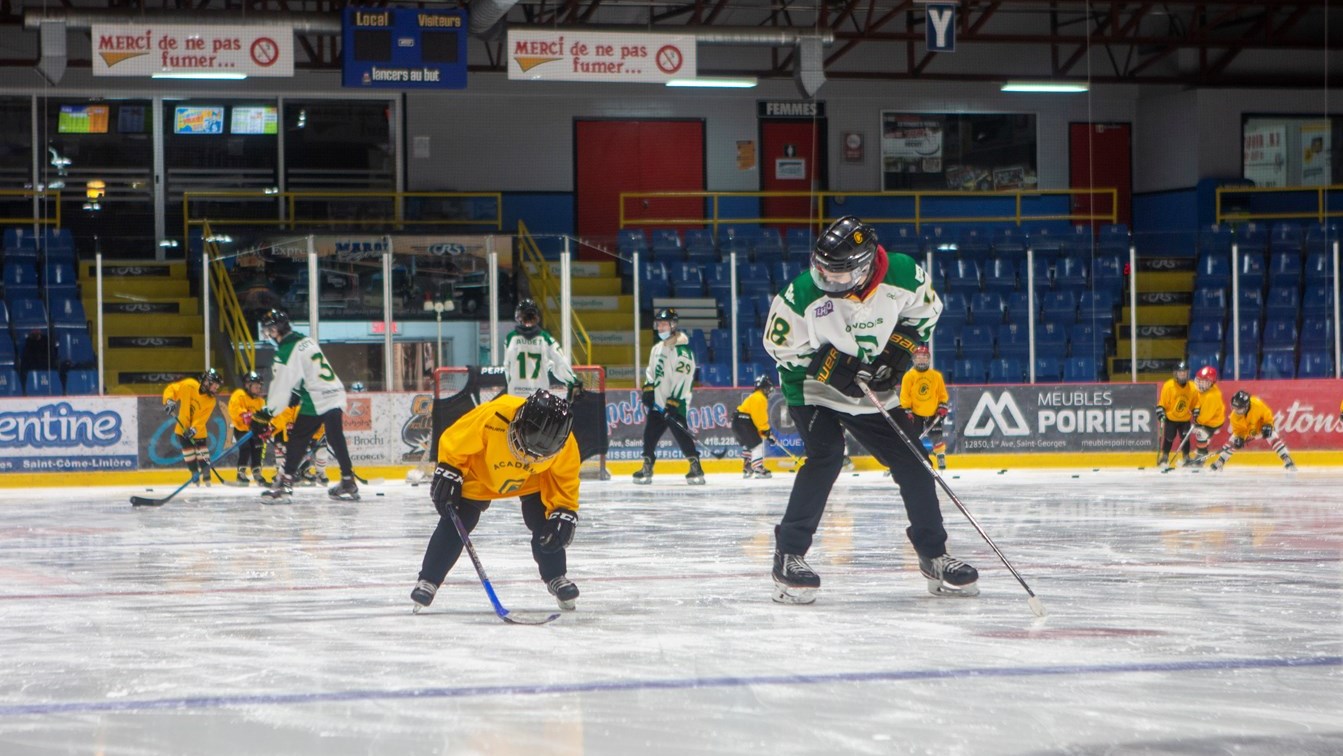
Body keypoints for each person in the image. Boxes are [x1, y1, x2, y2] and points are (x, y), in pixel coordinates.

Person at [762, 215, 977, 604]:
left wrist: (896, 355)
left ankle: (934, 556)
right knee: (825, 457)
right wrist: (831, 366)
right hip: (812, 388)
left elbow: (925, 314)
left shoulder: (904, 274)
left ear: (865, 267)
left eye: (839, 274)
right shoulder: (802, 293)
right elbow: (779, 347)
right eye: (822, 270)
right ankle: (789, 555)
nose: (828, 279)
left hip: (871, 387)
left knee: (914, 461)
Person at [410, 390, 582, 613]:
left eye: (538, 455)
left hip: (531, 480)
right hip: (482, 475)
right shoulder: (495, 415)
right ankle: (429, 580)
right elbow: (456, 440)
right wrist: (449, 470)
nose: (527, 458)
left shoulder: (565, 443)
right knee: (458, 522)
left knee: (547, 523)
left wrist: (564, 510)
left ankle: (556, 576)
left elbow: (565, 480)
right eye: (525, 449)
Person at [248, 308, 360, 501]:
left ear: (277, 330)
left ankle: (285, 483)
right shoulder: (305, 340)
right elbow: (308, 372)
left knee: (298, 438)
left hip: (317, 398)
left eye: (269, 330)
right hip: (335, 391)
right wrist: (297, 393)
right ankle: (348, 480)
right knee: (335, 437)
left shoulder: (285, 351)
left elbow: (279, 391)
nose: (268, 335)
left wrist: (265, 414)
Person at [633, 308, 703, 485]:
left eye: (664, 324)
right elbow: (651, 371)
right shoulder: (657, 348)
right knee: (649, 435)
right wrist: (648, 389)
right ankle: (647, 465)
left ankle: (695, 466)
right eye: (659, 324)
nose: (661, 327)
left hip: (675, 404)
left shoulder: (683, 352)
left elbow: (684, 379)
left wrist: (673, 402)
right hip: (658, 403)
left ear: (673, 325)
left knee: (682, 435)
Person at [503, 298, 582, 399]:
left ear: (519, 317)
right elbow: (560, 362)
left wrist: (509, 385)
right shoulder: (545, 338)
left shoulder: (511, 338)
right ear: (536, 317)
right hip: (539, 396)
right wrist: (572, 381)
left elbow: (507, 367)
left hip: (516, 395)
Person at [162, 368, 223, 486]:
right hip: (182, 428)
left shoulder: (211, 401)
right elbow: (172, 389)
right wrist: (169, 401)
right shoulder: (189, 385)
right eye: (215, 386)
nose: (216, 389)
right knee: (188, 452)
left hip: (198, 431)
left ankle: (207, 478)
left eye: (217, 387)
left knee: (202, 453)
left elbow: (202, 419)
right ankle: (194, 475)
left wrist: (194, 429)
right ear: (207, 382)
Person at [1210, 391, 1297, 471]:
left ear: (1246, 406)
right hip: (1248, 431)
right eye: (1234, 407)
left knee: (1273, 436)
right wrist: (1239, 438)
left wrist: (1268, 425)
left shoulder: (1257, 404)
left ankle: (1287, 459)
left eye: (1239, 408)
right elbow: (1239, 431)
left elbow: (1267, 414)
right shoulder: (1234, 417)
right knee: (1233, 440)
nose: (1236, 411)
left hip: (1261, 427)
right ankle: (1220, 461)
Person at [900, 344, 950, 470]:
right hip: (915, 413)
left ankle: (940, 457)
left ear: (928, 359)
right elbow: (905, 395)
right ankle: (912, 459)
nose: (921, 359)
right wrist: (907, 410)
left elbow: (942, 394)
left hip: (932, 412)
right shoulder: (909, 376)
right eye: (918, 357)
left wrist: (942, 405)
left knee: (937, 437)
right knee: (913, 437)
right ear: (914, 359)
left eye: (924, 357)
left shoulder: (936, 376)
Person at [227, 370, 269, 486]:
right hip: (241, 429)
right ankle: (241, 473)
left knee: (258, 447)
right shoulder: (239, 394)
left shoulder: (260, 401)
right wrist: (244, 414)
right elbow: (234, 409)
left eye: (259, 386)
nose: (258, 389)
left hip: (254, 430)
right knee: (245, 447)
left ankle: (257, 473)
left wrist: (265, 427)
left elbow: (263, 416)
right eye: (255, 386)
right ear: (247, 385)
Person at [732, 374, 777, 479]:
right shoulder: (759, 398)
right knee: (756, 444)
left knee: (749, 444)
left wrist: (766, 433)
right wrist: (766, 431)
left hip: (738, 421)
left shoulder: (754, 396)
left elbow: (755, 421)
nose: (769, 391)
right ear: (765, 388)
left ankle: (748, 467)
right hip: (744, 422)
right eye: (768, 388)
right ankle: (758, 468)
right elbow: (759, 418)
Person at [1156, 361, 1198, 468]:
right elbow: (1162, 403)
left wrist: (1196, 411)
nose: (1182, 374)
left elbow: (1195, 404)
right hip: (1171, 418)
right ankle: (1165, 456)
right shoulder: (1168, 386)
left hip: (1185, 419)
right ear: (1176, 374)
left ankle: (1186, 457)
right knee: (1169, 437)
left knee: (1185, 438)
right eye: (1180, 372)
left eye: (1184, 372)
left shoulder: (1192, 387)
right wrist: (1160, 411)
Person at [1186, 365, 1225, 467]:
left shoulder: (1212, 397)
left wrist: (1195, 416)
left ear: (1210, 383)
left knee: (1200, 432)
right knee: (1198, 430)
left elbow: (1203, 419)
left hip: (1213, 422)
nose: (1199, 384)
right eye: (1199, 380)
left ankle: (1201, 455)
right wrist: (1196, 408)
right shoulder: (1205, 390)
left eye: (1203, 382)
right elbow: (1199, 400)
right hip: (1207, 416)